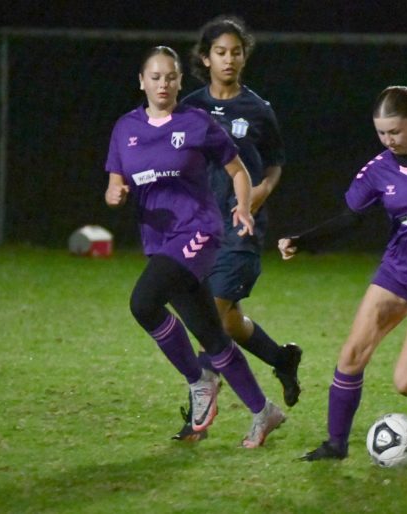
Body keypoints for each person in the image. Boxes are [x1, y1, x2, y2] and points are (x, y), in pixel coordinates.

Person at [279, 85, 407, 461]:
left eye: (396, 132)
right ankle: (335, 445)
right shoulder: (378, 170)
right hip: (398, 271)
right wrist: (303, 240)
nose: (389, 140)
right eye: (381, 133)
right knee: (352, 354)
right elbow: (349, 220)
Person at [104, 45, 285, 448]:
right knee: (212, 333)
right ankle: (263, 412)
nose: (163, 83)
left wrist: (243, 206)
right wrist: (115, 192)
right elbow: (115, 182)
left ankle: (199, 381)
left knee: (143, 302)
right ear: (142, 82)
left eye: (170, 77)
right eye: (155, 77)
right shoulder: (126, 128)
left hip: (199, 230)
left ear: (180, 82)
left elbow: (237, 170)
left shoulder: (196, 121)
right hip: (159, 238)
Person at [171, 16, 301, 442]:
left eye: (236, 51)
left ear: (245, 56)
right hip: (198, 229)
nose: (229, 59)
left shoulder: (258, 110)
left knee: (210, 315)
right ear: (205, 58)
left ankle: (200, 416)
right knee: (226, 321)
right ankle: (280, 358)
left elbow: (277, 160)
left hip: (242, 228)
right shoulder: (189, 107)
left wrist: (263, 188)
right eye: (220, 52)